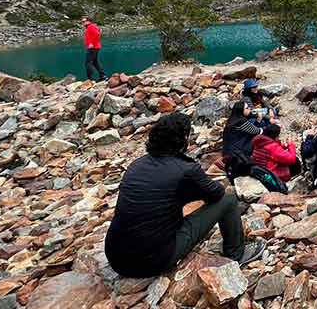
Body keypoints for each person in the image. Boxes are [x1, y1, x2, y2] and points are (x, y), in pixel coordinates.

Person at [104, 113, 264, 277]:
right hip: (152, 262)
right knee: (228, 199)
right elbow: (216, 194)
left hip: (115, 257)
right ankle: (237, 254)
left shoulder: (136, 165)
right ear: (183, 139)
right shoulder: (187, 170)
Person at [221, 100, 265, 165]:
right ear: (241, 110)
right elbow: (257, 131)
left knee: (256, 124)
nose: (249, 109)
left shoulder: (234, 118)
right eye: (247, 108)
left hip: (230, 149)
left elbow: (252, 124)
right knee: (262, 135)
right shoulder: (241, 121)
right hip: (237, 151)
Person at [82, 15, 106, 81]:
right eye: (82, 21)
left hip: (93, 47)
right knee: (95, 62)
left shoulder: (91, 26)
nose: (83, 23)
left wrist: (91, 43)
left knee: (88, 63)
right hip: (95, 47)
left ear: (88, 21)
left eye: (84, 21)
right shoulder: (90, 27)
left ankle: (90, 79)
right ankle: (103, 76)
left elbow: (97, 34)